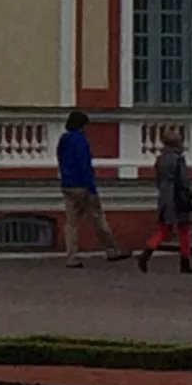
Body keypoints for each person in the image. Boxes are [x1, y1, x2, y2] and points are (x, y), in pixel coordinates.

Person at [54, 109, 122, 267]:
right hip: (82, 185)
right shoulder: (81, 141)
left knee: (71, 223)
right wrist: (91, 188)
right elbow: (84, 165)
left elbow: (60, 158)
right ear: (82, 125)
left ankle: (71, 258)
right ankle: (112, 250)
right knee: (98, 218)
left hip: (67, 184)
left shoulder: (63, 139)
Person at [137, 124, 192, 273]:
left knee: (164, 230)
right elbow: (183, 181)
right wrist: (189, 194)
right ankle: (185, 262)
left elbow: (158, 180)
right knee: (184, 230)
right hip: (179, 197)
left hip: (164, 197)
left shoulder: (160, 160)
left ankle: (146, 253)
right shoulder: (178, 159)